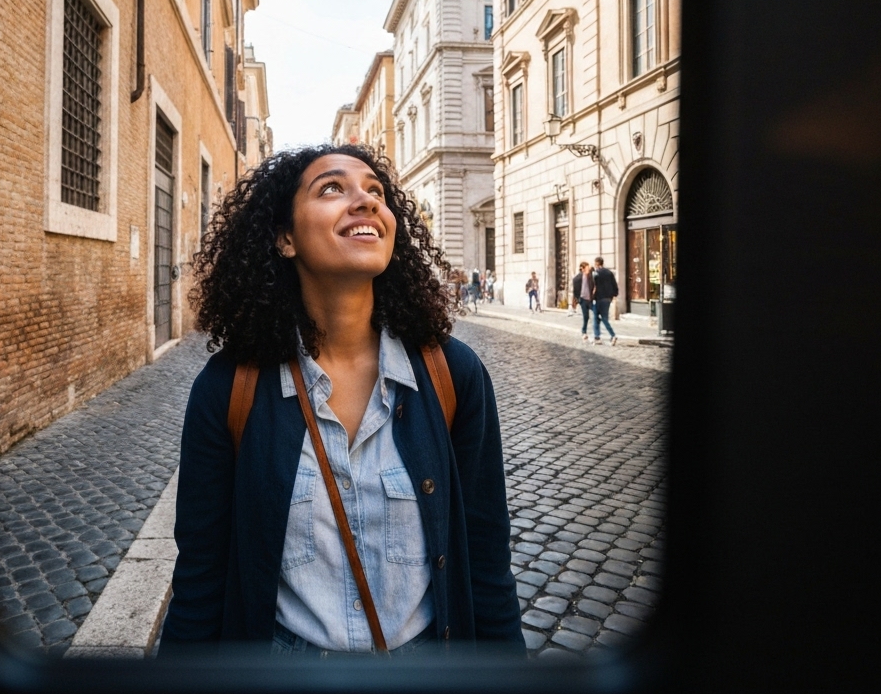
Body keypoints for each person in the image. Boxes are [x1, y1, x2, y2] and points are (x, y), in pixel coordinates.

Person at [159, 144, 524, 657]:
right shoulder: (227, 389)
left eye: (375, 191)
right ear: (285, 238)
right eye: (332, 188)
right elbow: (200, 578)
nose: (365, 201)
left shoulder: (454, 375)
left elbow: (486, 561)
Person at [591, 256, 619, 346]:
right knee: (604, 318)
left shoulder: (596, 274)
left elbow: (592, 286)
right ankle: (611, 336)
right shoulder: (609, 273)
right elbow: (615, 285)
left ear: (596, 264)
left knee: (596, 318)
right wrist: (613, 295)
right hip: (608, 299)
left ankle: (598, 337)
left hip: (598, 298)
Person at [572, 261, 593, 342]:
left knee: (596, 314)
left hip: (590, 299)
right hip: (583, 300)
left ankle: (596, 333)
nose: (588, 269)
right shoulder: (578, 278)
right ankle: (584, 332)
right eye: (587, 268)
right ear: (582, 269)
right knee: (586, 316)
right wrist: (578, 299)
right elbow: (575, 290)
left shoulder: (590, 276)